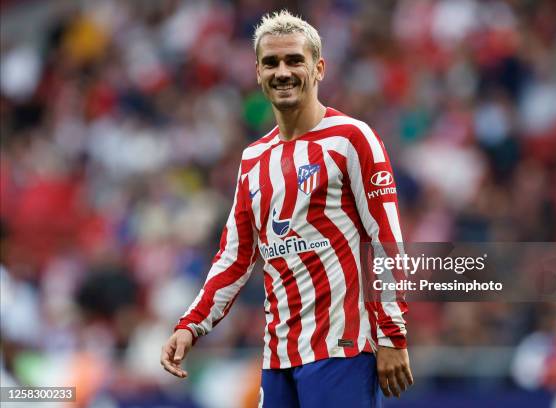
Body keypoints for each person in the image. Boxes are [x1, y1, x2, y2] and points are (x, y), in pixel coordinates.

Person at [161, 10, 413, 407]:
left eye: (295, 60)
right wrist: (190, 326)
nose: (283, 71)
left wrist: (392, 335)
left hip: (342, 349)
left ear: (319, 68)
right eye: (271, 62)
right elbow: (235, 257)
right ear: (258, 73)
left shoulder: (352, 139)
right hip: (278, 355)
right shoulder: (253, 158)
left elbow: (386, 240)